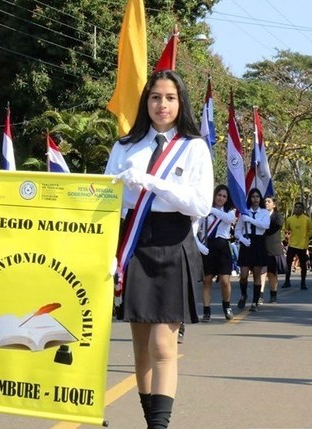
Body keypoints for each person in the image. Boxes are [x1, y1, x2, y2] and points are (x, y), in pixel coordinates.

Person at [107, 70, 213, 428]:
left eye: (169, 98)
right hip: (133, 243)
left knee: (163, 346)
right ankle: (150, 420)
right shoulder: (125, 146)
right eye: (155, 97)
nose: (162, 104)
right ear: (146, 102)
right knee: (140, 346)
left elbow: (200, 204)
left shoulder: (194, 147)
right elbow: (105, 198)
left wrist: (153, 183)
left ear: (180, 102)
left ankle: (159, 426)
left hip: (173, 243)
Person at [196, 184, 236, 322]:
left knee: (225, 281)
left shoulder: (230, 211)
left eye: (224, 196)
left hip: (223, 247)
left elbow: (229, 219)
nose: (221, 198)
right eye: (219, 195)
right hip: (208, 247)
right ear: (214, 195)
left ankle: (227, 306)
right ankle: (206, 311)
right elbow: (194, 228)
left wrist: (212, 210)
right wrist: (199, 245)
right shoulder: (204, 210)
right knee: (207, 281)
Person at [234, 188, 270, 311]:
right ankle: (243, 295)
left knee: (256, 274)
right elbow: (237, 230)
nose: (255, 199)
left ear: (260, 198)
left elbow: (265, 225)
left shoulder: (264, 212)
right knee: (243, 274)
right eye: (253, 196)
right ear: (250, 198)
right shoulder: (244, 212)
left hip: (258, 242)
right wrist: (242, 239)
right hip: (246, 242)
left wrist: (250, 220)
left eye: (257, 196)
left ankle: (255, 302)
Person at [282, 201, 312, 290]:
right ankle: (287, 281)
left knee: (303, 265)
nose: (298, 209)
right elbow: (285, 229)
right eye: (296, 207)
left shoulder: (307, 219)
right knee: (288, 264)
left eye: (300, 207)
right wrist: (285, 238)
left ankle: (303, 283)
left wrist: (306, 237)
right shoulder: (289, 219)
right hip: (292, 244)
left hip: (302, 245)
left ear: (303, 209)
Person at [260, 196, 285, 303]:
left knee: (272, 273)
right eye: (265, 201)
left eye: (269, 201)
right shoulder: (260, 215)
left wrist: (264, 226)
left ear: (274, 204)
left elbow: (278, 224)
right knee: (261, 272)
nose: (266, 203)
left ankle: (273, 294)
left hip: (273, 249)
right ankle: (260, 295)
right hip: (261, 247)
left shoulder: (277, 216)